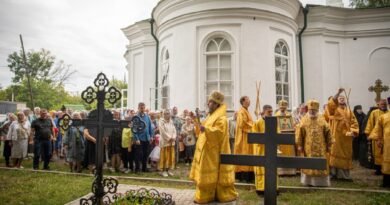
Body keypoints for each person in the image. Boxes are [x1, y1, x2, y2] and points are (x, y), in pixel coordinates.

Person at [190, 91, 237, 204]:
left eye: (210, 102)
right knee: (204, 174)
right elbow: (203, 127)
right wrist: (195, 120)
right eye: (209, 101)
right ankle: (204, 195)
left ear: (216, 104)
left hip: (213, 152)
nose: (208, 104)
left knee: (211, 174)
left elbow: (219, 133)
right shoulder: (210, 116)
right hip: (206, 150)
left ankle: (214, 195)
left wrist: (206, 129)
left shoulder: (222, 118)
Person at [296, 100, 332, 187]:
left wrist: (329, 144)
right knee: (308, 163)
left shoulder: (322, 119)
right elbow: (299, 132)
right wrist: (300, 145)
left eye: (314, 110)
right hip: (308, 147)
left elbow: (328, 131)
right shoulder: (304, 119)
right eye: (310, 110)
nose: (312, 112)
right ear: (308, 110)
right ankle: (308, 181)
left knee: (321, 163)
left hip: (321, 147)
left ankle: (321, 183)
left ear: (317, 110)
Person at [327, 88, 359, 181]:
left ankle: (345, 176)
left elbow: (354, 122)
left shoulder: (349, 111)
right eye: (339, 98)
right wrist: (337, 93)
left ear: (346, 100)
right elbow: (330, 105)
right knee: (335, 153)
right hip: (336, 135)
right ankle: (334, 174)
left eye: (343, 98)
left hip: (347, 137)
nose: (341, 98)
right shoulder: (334, 109)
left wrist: (353, 131)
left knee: (346, 154)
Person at [253, 104, 278, 194]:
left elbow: (278, 133)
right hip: (261, 149)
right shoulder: (258, 122)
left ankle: (273, 188)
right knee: (261, 168)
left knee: (272, 168)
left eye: (272, 112)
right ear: (263, 112)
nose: (271, 114)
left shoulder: (274, 121)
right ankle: (261, 188)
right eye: (269, 112)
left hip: (271, 149)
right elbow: (255, 136)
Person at [370, 97, 390, 188]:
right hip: (387, 144)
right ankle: (386, 182)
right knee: (387, 162)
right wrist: (378, 139)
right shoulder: (383, 117)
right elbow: (378, 130)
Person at [234, 96, 255, 182]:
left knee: (249, 153)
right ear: (243, 101)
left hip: (248, 135)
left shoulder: (246, 111)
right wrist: (253, 125)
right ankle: (243, 175)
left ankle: (249, 173)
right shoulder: (241, 112)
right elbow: (242, 124)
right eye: (248, 100)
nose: (249, 101)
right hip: (243, 136)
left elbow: (248, 122)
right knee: (244, 153)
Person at [366, 99, 388, 175]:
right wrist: (368, 133)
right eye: (382, 104)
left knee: (386, 153)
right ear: (379, 105)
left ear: (387, 105)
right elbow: (370, 123)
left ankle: (386, 169)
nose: (383, 106)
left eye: (384, 104)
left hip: (387, 137)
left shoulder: (389, 113)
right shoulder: (374, 113)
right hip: (377, 136)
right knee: (377, 153)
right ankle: (378, 169)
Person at [275, 99, 296, 175]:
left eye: (284, 108)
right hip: (279, 136)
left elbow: (292, 124)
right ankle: (281, 171)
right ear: (279, 107)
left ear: (286, 107)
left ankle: (290, 171)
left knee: (289, 152)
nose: (283, 109)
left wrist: (292, 128)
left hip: (288, 135)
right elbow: (275, 125)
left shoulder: (289, 115)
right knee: (281, 152)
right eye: (281, 108)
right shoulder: (276, 115)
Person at [133, 102, 154, 173]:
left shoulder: (147, 116)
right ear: (138, 108)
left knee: (146, 154)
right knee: (138, 154)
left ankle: (144, 168)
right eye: (141, 108)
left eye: (143, 108)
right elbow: (134, 129)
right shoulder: (136, 117)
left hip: (146, 138)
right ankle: (137, 169)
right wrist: (136, 138)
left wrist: (151, 136)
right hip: (139, 139)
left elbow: (150, 127)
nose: (142, 109)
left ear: (145, 108)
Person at [159, 109, 177, 177]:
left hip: (171, 142)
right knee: (164, 156)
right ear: (163, 114)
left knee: (170, 156)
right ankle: (163, 170)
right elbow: (162, 131)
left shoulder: (171, 121)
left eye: (168, 113)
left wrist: (174, 137)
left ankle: (169, 169)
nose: (167, 115)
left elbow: (174, 130)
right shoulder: (161, 121)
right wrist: (169, 138)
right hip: (165, 142)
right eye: (166, 113)